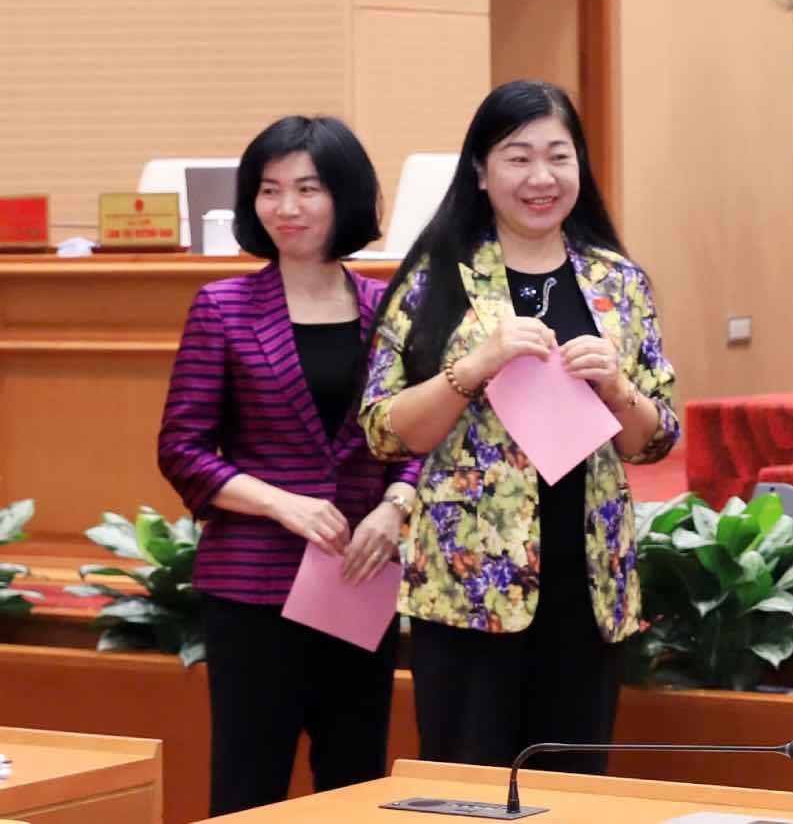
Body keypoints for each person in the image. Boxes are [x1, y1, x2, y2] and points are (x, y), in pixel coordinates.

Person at [361, 80, 679, 771]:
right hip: (469, 590)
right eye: (517, 158)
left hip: (588, 587)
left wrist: (617, 386)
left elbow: (654, 439)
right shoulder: (432, 279)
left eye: (558, 157)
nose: (541, 178)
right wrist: (471, 368)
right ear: (479, 171)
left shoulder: (618, 283)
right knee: (466, 793)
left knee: (574, 795)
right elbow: (386, 431)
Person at [157, 117, 418, 817]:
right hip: (250, 589)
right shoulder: (222, 308)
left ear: (347, 197)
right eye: (270, 190)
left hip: (358, 575)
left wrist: (396, 507)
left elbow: (420, 437)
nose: (288, 208)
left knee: (356, 782)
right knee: (248, 784)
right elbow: (182, 450)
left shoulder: (391, 308)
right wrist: (282, 503)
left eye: (308, 188)